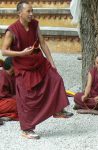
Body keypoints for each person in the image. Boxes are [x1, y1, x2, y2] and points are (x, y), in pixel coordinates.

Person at [1, 0, 73, 139]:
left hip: (39, 61)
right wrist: (21, 53)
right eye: (28, 11)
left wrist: (52, 63)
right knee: (27, 98)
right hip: (23, 66)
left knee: (56, 78)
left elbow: (43, 43)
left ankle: (57, 110)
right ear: (19, 13)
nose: (31, 14)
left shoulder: (35, 24)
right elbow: (4, 51)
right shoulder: (12, 30)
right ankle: (26, 129)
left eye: (32, 10)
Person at [0, 57, 18, 121]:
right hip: (3, 102)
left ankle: (9, 116)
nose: (14, 72)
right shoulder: (2, 75)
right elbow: (3, 95)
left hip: (9, 100)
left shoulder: (13, 75)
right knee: (17, 104)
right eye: (12, 70)